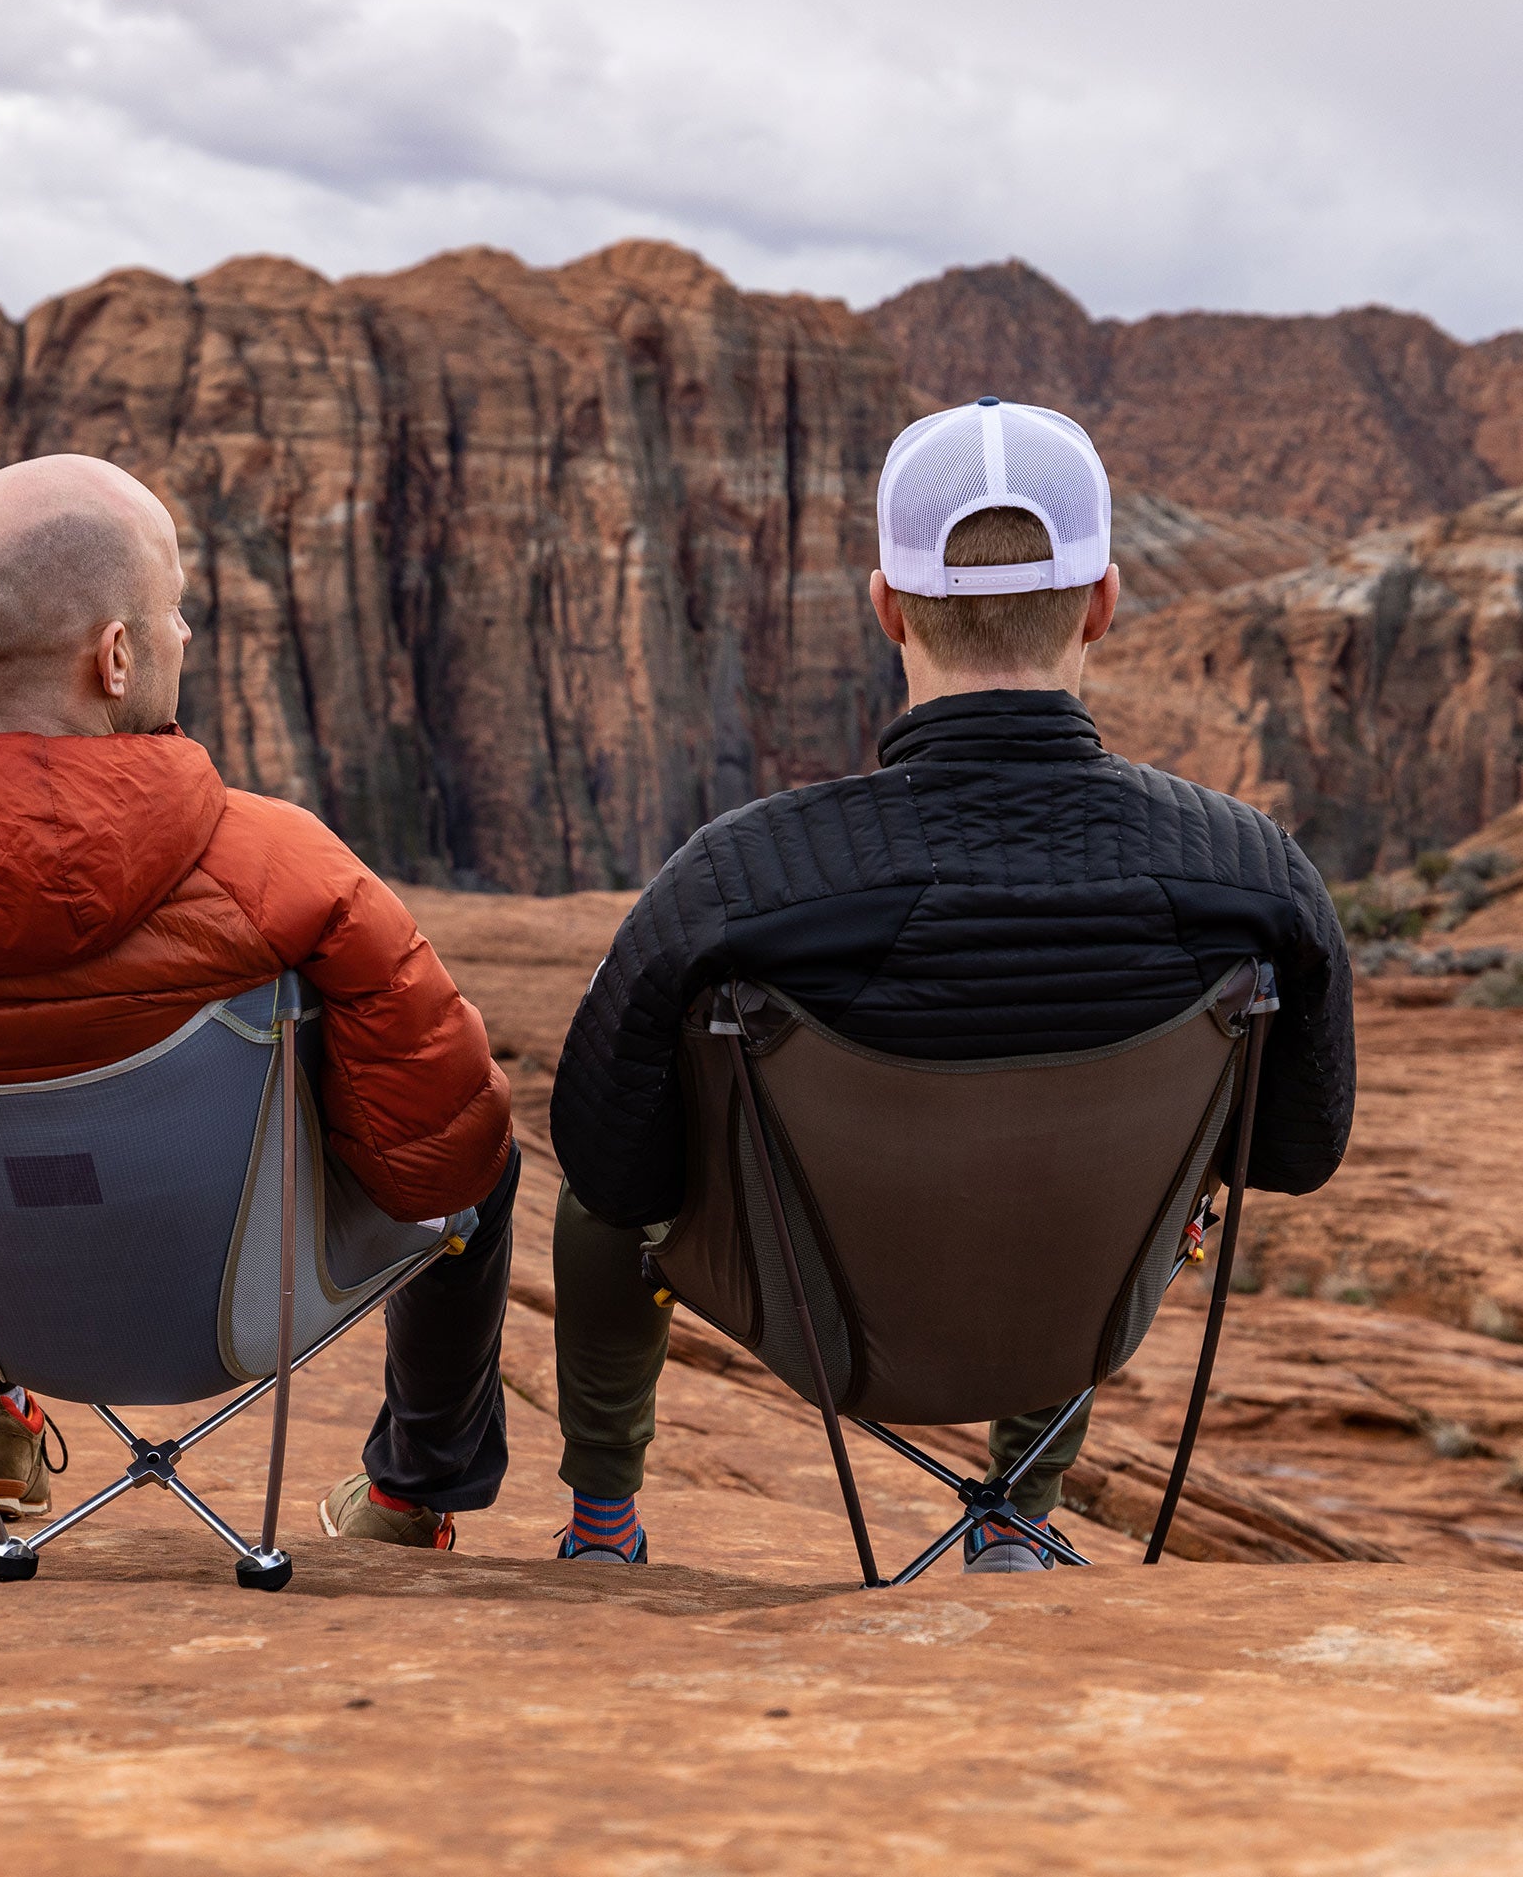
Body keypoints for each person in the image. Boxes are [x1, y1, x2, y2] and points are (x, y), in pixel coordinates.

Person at [547, 398, 1355, 1570]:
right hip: (1074, 1315)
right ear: (1101, 602)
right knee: (1107, 1158)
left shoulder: (736, 876)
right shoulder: (1253, 875)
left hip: (818, 1332)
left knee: (595, 1206)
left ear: (885, 606)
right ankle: (1018, 1515)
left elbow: (605, 1166)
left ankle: (602, 1527)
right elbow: (1292, 1153)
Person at [0, 454, 515, 1550]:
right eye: (174, 607)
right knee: (490, 1159)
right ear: (116, 655)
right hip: (229, 1322)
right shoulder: (281, 867)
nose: (189, 633)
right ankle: (412, 1494)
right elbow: (442, 1160)